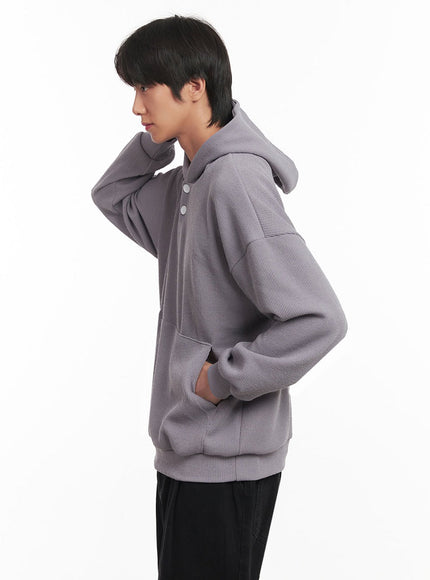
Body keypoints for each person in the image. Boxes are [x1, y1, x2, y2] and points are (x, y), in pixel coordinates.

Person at [90, 14, 348, 580]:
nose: (136, 106)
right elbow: (112, 195)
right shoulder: (189, 182)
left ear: (194, 86)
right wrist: (158, 143)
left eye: (145, 88)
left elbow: (319, 317)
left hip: (225, 459)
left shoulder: (234, 181)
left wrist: (218, 380)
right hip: (188, 448)